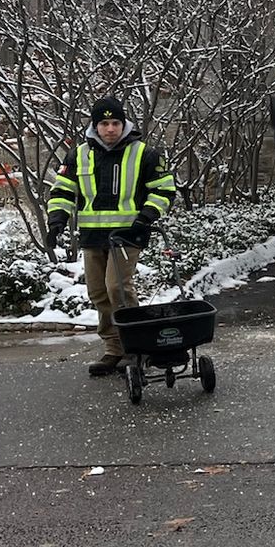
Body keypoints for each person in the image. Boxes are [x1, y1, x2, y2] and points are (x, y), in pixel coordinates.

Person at [45, 98, 176, 376]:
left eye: (115, 123)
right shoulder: (78, 154)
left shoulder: (144, 154)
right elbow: (63, 191)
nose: (110, 129)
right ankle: (114, 348)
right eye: (104, 123)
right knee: (98, 292)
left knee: (117, 287)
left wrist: (145, 218)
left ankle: (135, 345)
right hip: (92, 236)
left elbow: (164, 189)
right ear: (95, 126)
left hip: (128, 233)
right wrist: (57, 220)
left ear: (123, 124)